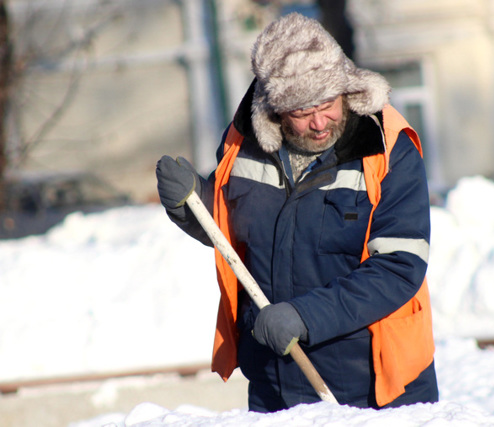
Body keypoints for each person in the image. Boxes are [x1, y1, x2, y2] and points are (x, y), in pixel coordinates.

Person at [155, 12, 438, 412]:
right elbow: (232, 233)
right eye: (303, 113)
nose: (320, 123)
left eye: (328, 104)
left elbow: (398, 268)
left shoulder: (386, 147)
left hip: (374, 389)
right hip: (275, 385)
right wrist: (191, 203)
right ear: (274, 110)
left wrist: (305, 316)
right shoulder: (244, 144)